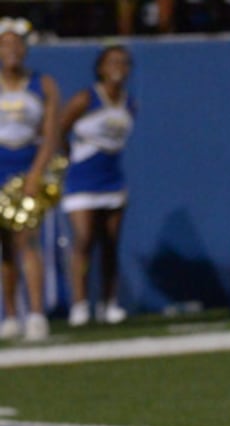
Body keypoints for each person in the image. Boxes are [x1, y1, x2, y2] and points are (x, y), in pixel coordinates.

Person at [58, 44, 134, 330]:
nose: (118, 67)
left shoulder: (130, 103)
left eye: (124, 62)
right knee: (84, 239)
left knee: (111, 244)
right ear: (101, 67)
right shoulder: (84, 99)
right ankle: (79, 305)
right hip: (82, 180)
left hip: (112, 180)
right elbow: (60, 129)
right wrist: (69, 157)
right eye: (112, 62)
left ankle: (108, 303)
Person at [0, 18, 59, 342]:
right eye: (5, 44)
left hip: (27, 169)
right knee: (5, 248)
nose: (12, 50)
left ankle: (36, 314)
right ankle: (10, 314)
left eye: (17, 44)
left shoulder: (43, 84)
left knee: (28, 240)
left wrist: (36, 173)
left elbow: (50, 135)